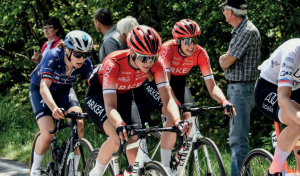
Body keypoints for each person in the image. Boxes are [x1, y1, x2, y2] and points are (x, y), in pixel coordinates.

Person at [85, 25, 188, 176]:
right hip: (99, 96)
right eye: (144, 57)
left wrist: (177, 120)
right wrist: (120, 124)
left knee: (135, 141)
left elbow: (167, 99)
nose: (149, 62)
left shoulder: (156, 63)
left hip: (126, 95)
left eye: (153, 57)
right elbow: (110, 106)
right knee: (117, 137)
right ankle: (96, 172)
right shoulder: (113, 63)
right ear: (132, 51)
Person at [144, 19, 235, 174]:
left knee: (190, 117)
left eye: (194, 40)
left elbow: (212, 86)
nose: (192, 45)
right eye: (187, 41)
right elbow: (165, 85)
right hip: (157, 82)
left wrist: (224, 101)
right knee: (172, 116)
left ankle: (178, 164)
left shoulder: (201, 53)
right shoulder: (167, 49)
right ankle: (165, 168)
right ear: (178, 41)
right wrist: (175, 104)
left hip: (179, 82)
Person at [29, 30, 94, 176]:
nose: (82, 59)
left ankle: (73, 171)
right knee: (48, 133)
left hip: (64, 90)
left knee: (79, 123)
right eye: (78, 54)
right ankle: (35, 169)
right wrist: (53, 108)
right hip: (41, 89)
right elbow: (44, 87)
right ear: (67, 49)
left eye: (85, 54)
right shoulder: (53, 56)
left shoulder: (86, 63)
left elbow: (96, 86)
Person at [218, 0, 261, 175]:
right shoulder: (240, 30)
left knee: (238, 141)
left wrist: (224, 58)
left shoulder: (246, 31)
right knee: (237, 140)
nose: (223, 13)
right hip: (238, 89)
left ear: (230, 12)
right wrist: (225, 58)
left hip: (242, 90)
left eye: (224, 10)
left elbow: (225, 62)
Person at [255, 38, 300, 176]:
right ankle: (273, 171)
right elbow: (283, 99)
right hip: (270, 87)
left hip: (296, 89)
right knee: (296, 121)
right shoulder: (292, 52)